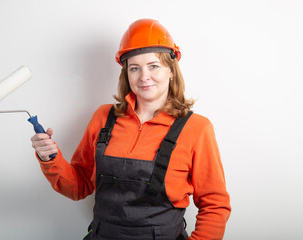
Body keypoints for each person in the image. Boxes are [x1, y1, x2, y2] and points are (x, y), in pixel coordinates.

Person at [31, 19, 231, 240]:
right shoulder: (104, 118)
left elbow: (215, 205)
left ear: (171, 71)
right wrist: (49, 157)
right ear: (126, 73)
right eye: (134, 68)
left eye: (153, 66)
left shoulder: (197, 128)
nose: (144, 76)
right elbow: (79, 186)